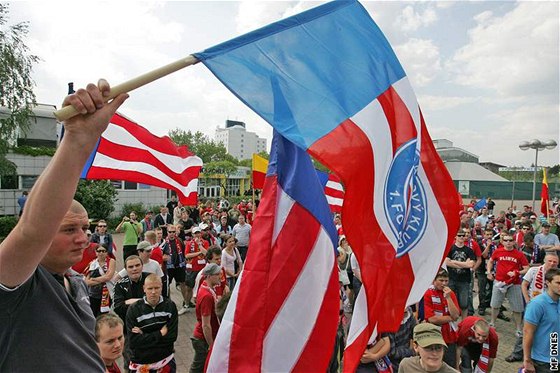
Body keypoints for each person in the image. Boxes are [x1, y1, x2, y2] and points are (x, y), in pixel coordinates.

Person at [0, 79, 127, 371]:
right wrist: (78, 140)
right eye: (69, 230)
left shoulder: (76, 282)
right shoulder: (15, 286)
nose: (84, 239)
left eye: (85, 228)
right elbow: (32, 232)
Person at [126, 274, 178, 372]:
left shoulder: (170, 306)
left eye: (156, 288)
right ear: (144, 289)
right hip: (141, 363)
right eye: (150, 288)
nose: (153, 292)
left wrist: (144, 334)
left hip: (165, 360)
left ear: (161, 288)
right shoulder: (134, 309)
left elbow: (172, 337)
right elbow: (133, 341)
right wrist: (160, 333)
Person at [486, 234, 529, 335]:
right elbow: (490, 261)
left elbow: (526, 267)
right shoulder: (498, 251)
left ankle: (518, 328)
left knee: (517, 307)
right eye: (506, 240)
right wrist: (488, 271)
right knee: (495, 304)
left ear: (514, 242)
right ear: (502, 242)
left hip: (514, 283)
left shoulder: (519, 254)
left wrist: (517, 272)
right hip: (499, 282)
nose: (508, 242)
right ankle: (492, 323)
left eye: (510, 240)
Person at [523, 267, 560, 373]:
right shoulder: (537, 304)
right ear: (548, 283)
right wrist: (527, 360)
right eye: (558, 283)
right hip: (543, 361)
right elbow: (527, 332)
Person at [423, 268, 461, 367]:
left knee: (449, 365)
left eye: (446, 281)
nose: (444, 283)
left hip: (449, 337)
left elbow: (456, 315)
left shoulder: (450, 293)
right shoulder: (428, 294)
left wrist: (448, 298)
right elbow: (432, 319)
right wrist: (451, 318)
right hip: (434, 335)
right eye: (441, 280)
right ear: (434, 280)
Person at [190, 263, 223, 373]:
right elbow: (206, 325)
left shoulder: (207, 287)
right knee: (197, 368)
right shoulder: (207, 296)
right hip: (202, 340)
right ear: (209, 276)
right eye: (217, 274)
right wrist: (211, 345)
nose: (220, 276)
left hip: (203, 338)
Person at [444, 230, 476, 319]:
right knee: (449, 300)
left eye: (463, 235)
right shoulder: (450, 248)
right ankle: (451, 319)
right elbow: (446, 262)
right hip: (451, 278)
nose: (461, 237)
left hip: (464, 280)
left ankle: (464, 322)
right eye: (459, 235)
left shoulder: (469, 250)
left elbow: (471, 264)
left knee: (464, 303)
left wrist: (453, 261)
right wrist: (464, 264)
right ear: (456, 236)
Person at [85, 243, 116, 317]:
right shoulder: (92, 264)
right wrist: (102, 280)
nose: (101, 253)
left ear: (107, 252)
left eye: (103, 251)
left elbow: (108, 277)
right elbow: (87, 282)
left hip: (107, 294)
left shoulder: (111, 261)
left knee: (103, 316)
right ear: (96, 252)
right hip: (93, 295)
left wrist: (94, 279)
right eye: (99, 251)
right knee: (93, 316)